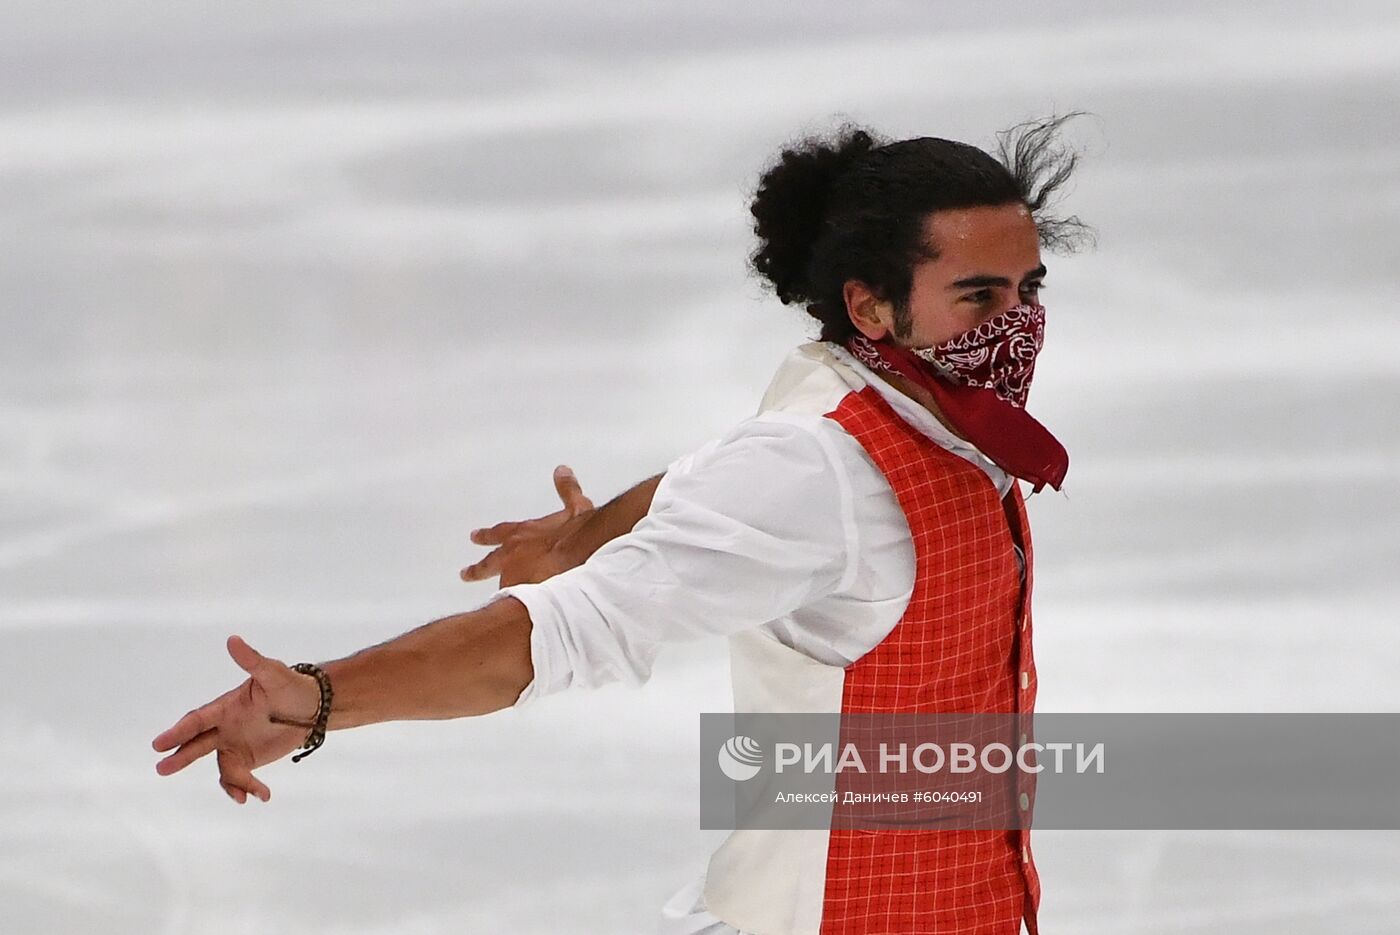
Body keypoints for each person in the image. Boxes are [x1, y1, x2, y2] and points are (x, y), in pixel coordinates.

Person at [152, 114, 1092, 935]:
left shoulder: (902, 403)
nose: (1016, 325)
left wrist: (585, 531)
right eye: (979, 296)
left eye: (1028, 291)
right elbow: (557, 635)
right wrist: (320, 698)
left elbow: (731, 463)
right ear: (870, 306)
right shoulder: (823, 472)